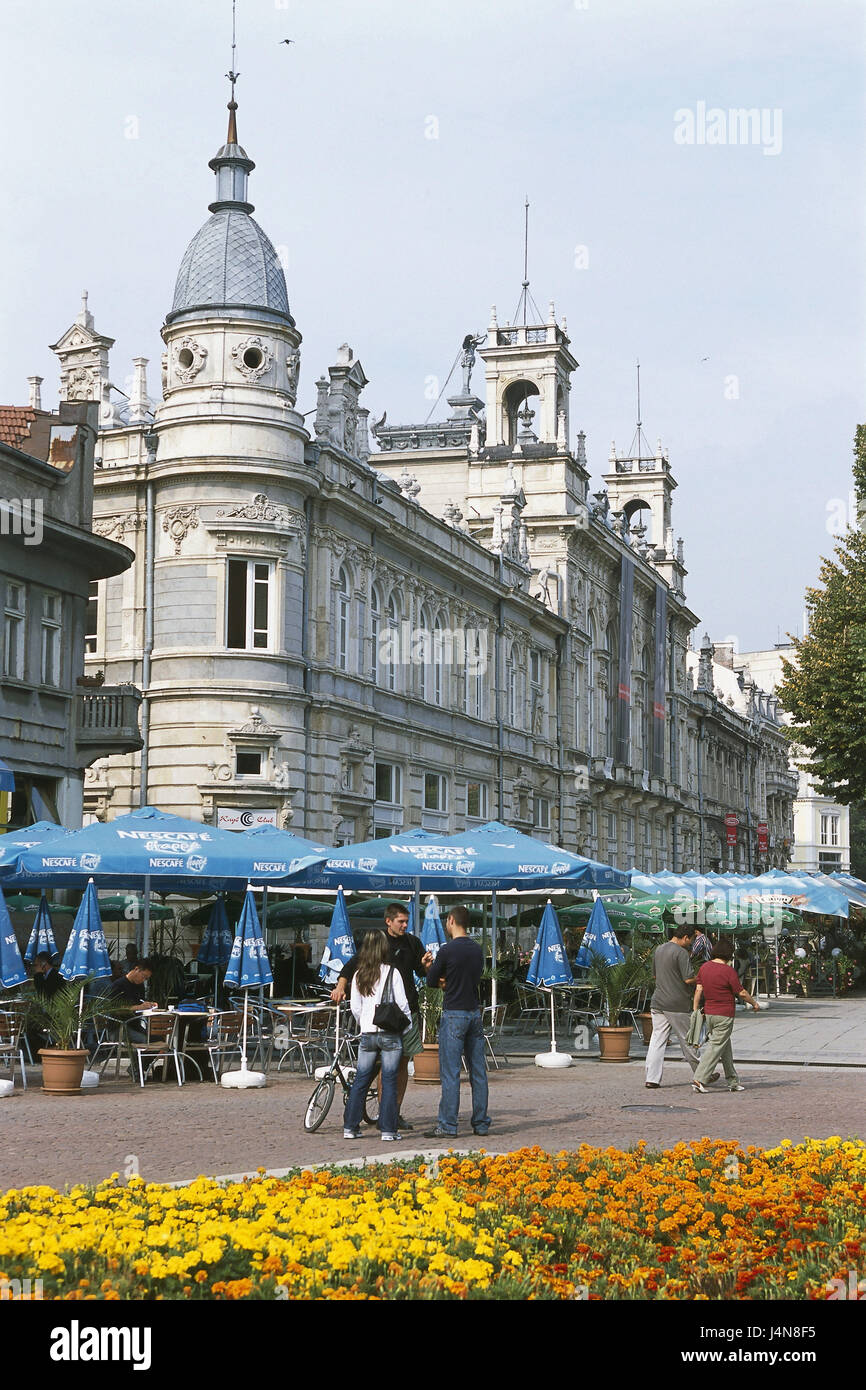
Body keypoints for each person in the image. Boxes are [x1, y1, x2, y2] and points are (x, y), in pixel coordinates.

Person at [331, 902, 432, 1130]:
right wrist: (340, 987)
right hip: (380, 1017)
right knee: (382, 1066)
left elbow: (421, 972)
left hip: (406, 1012)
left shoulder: (412, 943)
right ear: (389, 921)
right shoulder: (378, 943)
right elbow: (351, 966)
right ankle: (382, 1114)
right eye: (401, 922)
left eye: (406, 921)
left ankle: (393, 1113)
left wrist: (426, 966)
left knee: (402, 1063)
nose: (405, 925)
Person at [423, 905, 491, 1139]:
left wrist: (430, 967)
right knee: (478, 1072)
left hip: (453, 1013)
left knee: (451, 1072)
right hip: (474, 1012)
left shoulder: (447, 950)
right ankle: (481, 1122)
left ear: (451, 920)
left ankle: (448, 1125)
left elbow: (432, 981)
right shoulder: (476, 949)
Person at [342, 929, 411, 1142]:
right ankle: (388, 1130)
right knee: (389, 1080)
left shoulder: (358, 974)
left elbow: (355, 1007)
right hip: (390, 1032)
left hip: (368, 1033)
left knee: (361, 1079)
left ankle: (350, 1126)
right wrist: (406, 1029)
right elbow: (403, 1005)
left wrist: (364, 1023)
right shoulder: (392, 972)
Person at [645, 925, 719, 1090]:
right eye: (692, 939)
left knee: (657, 1041)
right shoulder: (681, 953)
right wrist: (700, 978)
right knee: (689, 1040)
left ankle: (652, 1078)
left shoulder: (659, 949)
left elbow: (655, 975)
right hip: (677, 1003)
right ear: (686, 937)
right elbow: (687, 979)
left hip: (658, 1002)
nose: (692, 943)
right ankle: (703, 1073)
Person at [692, 938, 759, 1093]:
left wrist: (695, 1010)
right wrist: (754, 1003)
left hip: (709, 1013)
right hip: (724, 1013)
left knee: (724, 1046)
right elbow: (741, 992)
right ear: (729, 954)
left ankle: (733, 1081)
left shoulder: (704, 967)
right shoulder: (728, 971)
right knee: (716, 1046)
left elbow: (698, 990)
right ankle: (699, 1078)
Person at [108, 959, 156, 1039]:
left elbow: (141, 1002)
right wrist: (139, 1007)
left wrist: (149, 1005)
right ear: (136, 969)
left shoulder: (139, 986)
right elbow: (114, 1010)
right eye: (143, 976)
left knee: (159, 1039)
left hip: (135, 1026)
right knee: (146, 1041)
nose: (143, 980)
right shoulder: (118, 985)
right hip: (119, 1027)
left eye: (146, 979)